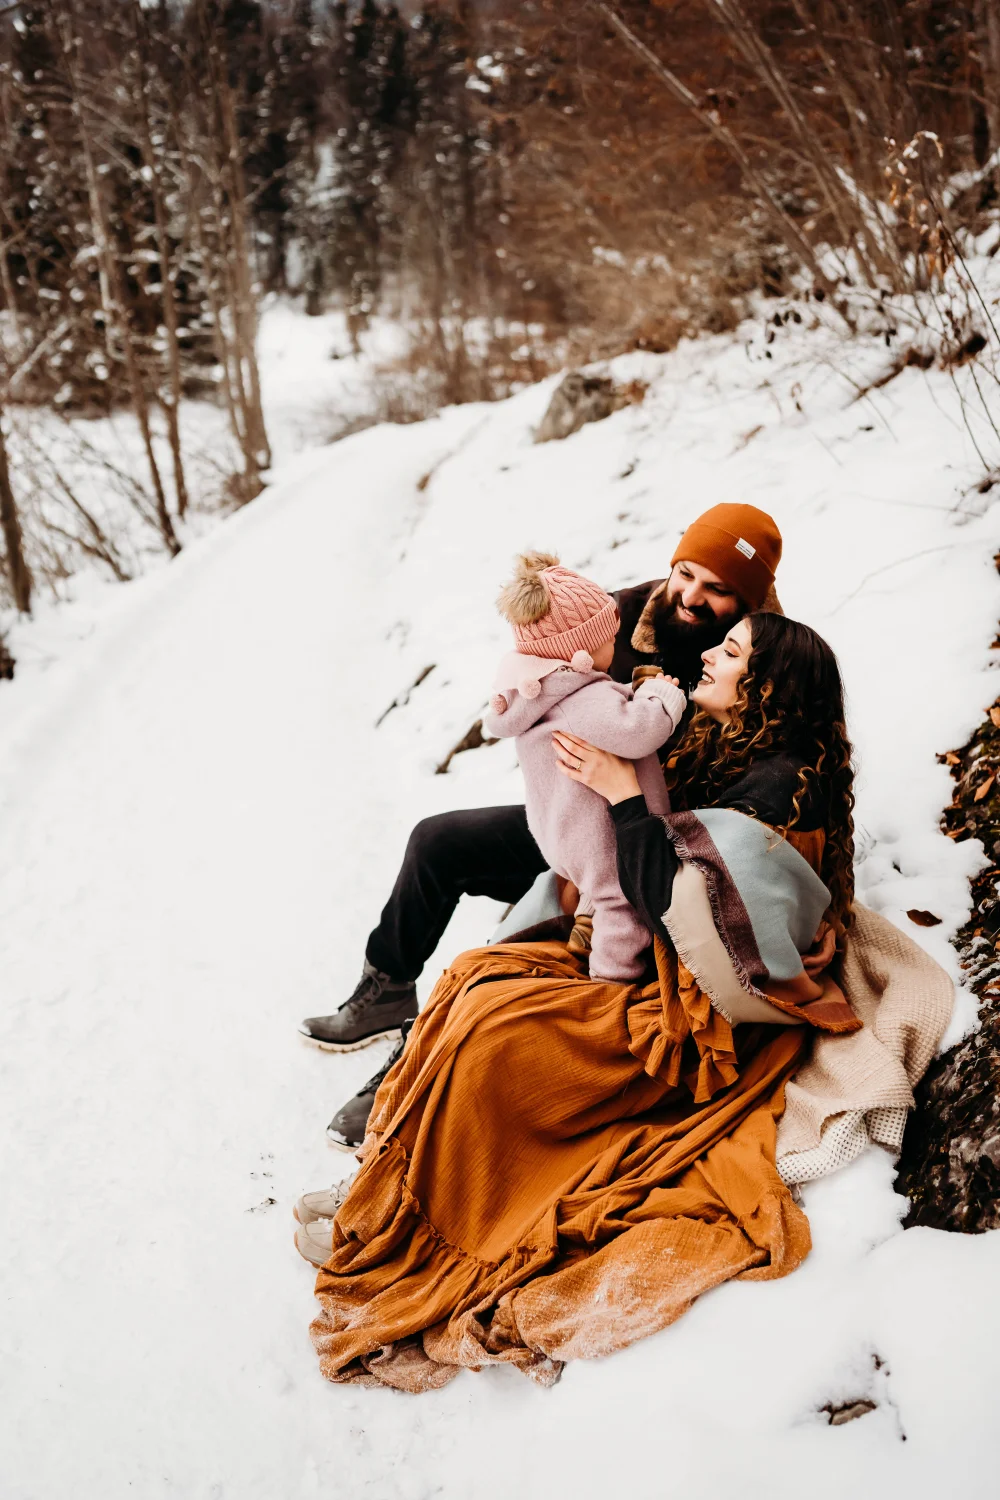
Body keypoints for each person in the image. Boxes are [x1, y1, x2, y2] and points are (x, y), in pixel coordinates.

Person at [294, 613, 861, 1395]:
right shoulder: (718, 733)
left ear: (764, 686)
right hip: (648, 954)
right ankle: (388, 1190)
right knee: (474, 981)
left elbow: (682, 906)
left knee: (499, 1041)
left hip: (698, 1011)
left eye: (729, 653)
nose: (708, 655)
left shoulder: (781, 785)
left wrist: (625, 795)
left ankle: (428, 1232)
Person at [302, 502, 784, 1148]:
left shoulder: (758, 656)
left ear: (746, 602)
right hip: (578, 817)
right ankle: (387, 988)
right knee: (437, 841)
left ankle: (417, 1073)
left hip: (652, 841)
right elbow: (543, 663)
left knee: (513, 943)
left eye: (717, 590)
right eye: (687, 573)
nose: (692, 596)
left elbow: (761, 777)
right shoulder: (616, 616)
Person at [483, 551, 687, 979]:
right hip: (597, 830)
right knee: (620, 899)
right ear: (580, 651)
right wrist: (659, 694)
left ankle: (589, 935)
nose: (615, 646)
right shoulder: (585, 699)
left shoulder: (538, 694)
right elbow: (639, 730)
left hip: (563, 829)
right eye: (609, 638)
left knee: (599, 892)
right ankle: (611, 979)